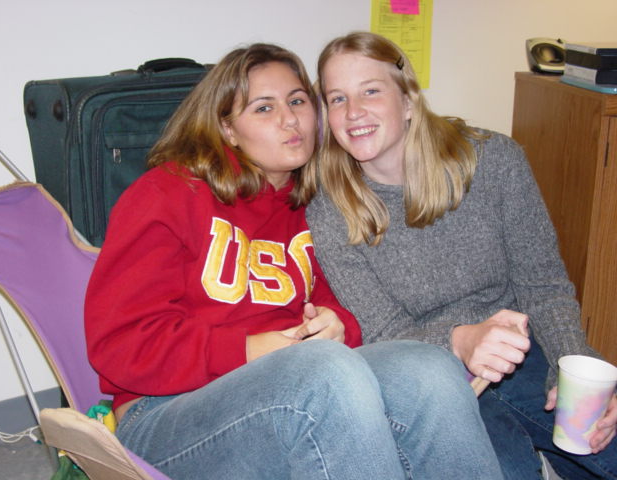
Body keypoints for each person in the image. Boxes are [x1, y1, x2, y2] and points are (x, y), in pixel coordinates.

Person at [84, 42, 502, 480]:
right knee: (323, 372)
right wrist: (249, 350)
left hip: (296, 388)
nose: (290, 120)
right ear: (227, 128)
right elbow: (120, 345)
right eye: (264, 108)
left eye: (298, 101)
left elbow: (341, 305)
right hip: (165, 415)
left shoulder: (316, 206)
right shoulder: (166, 194)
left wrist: (338, 325)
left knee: (429, 368)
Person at [305, 31, 617, 480]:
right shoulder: (330, 208)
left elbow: (543, 284)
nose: (353, 112)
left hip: (523, 349)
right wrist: (460, 340)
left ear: (408, 99)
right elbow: (383, 333)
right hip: (433, 378)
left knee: (603, 439)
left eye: (370, 91)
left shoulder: (493, 159)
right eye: (337, 98)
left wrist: (572, 367)